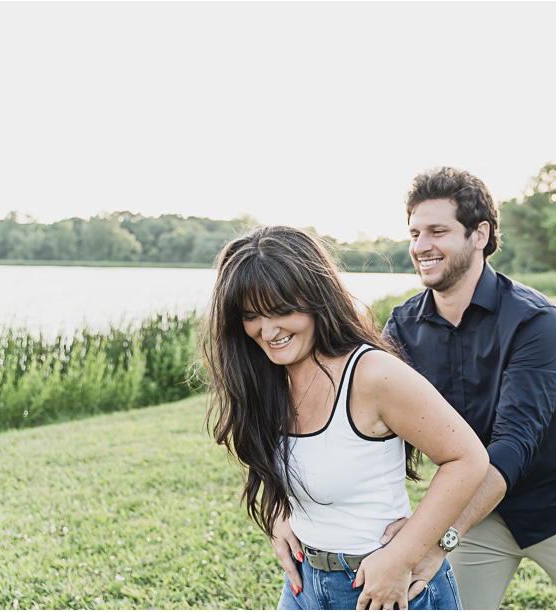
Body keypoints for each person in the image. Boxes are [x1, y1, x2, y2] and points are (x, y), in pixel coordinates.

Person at [379, 167, 556, 609]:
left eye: (437, 231)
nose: (421, 246)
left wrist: (435, 542)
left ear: (479, 234)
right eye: (415, 232)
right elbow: (366, 428)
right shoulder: (400, 329)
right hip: (475, 510)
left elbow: (515, 444)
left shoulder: (534, 319)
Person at [201, 225, 490, 610]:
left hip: (383, 588)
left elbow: (468, 458)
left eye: (282, 311)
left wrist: (404, 555)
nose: (268, 331)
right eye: (252, 315)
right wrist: (280, 516)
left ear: (316, 299)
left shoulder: (372, 374)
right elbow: (286, 464)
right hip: (305, 586)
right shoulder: (267, 377)